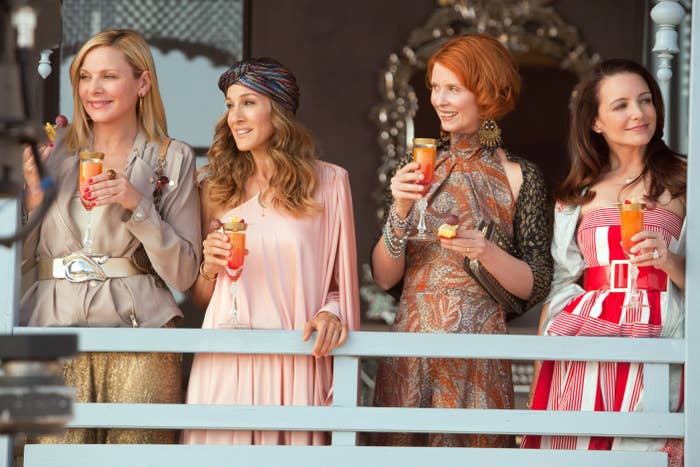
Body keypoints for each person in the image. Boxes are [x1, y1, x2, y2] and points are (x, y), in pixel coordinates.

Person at [370, 34, 553, 447]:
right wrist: (399, 209)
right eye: (434, 87)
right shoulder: (413, 167)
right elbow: (384, 278)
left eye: (453, 88)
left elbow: (537, 283)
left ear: (486, 92)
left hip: (479, 357)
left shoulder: (521, 175)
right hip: (410, 351)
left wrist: (485, 251)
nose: (438, 99)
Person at [21, 29, 202, 444]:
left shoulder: (171, 156)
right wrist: (32, 190)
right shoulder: (51, 151)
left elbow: (185, 274)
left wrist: (138, 206)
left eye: (108, 76)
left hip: (141, 335)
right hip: (52, 330)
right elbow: (19, 262)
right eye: (84, 77)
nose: (93, 89)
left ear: (142, 83)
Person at [183, 57, 360, 445]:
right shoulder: (215, 190)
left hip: (296, 357)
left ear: (278, 110)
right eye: (230, 105)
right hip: (226, 360)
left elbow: (340, 284)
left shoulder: (329, 183)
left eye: (248, 102)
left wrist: (332, 314)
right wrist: (209, 268)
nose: (235, 116)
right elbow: (201, 298)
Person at [521, 59, 685, 466]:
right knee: (578, 446)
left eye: (645, 101)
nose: (638, 113)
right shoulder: (579, 193)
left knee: (645, 447)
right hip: (587, 335)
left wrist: (671, 262)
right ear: (595, 122)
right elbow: (563, 281)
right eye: (622, 105)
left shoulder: (686, 180)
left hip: (659, 329)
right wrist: (543, 363)